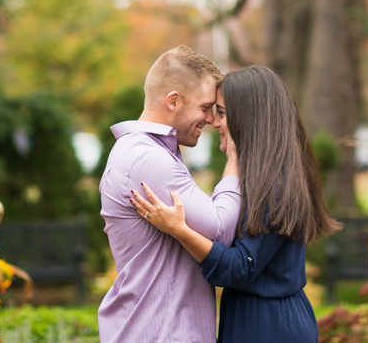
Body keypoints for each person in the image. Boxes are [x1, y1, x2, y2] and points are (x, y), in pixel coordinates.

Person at [131, 65, 340, 343]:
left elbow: (239, 267)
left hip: (269, 326)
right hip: (257, 317)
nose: (214, 123)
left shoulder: (275, 185)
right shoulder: (263, 177)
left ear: (248, 118)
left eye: (222, 113)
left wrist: (178, 229)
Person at [98, 46, 240, 343]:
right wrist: (235, 163)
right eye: (204, 107)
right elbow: (220, 231)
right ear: (173, 101)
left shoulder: (146, 152)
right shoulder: (148, 160)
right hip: (162, 332)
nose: (212, 121)